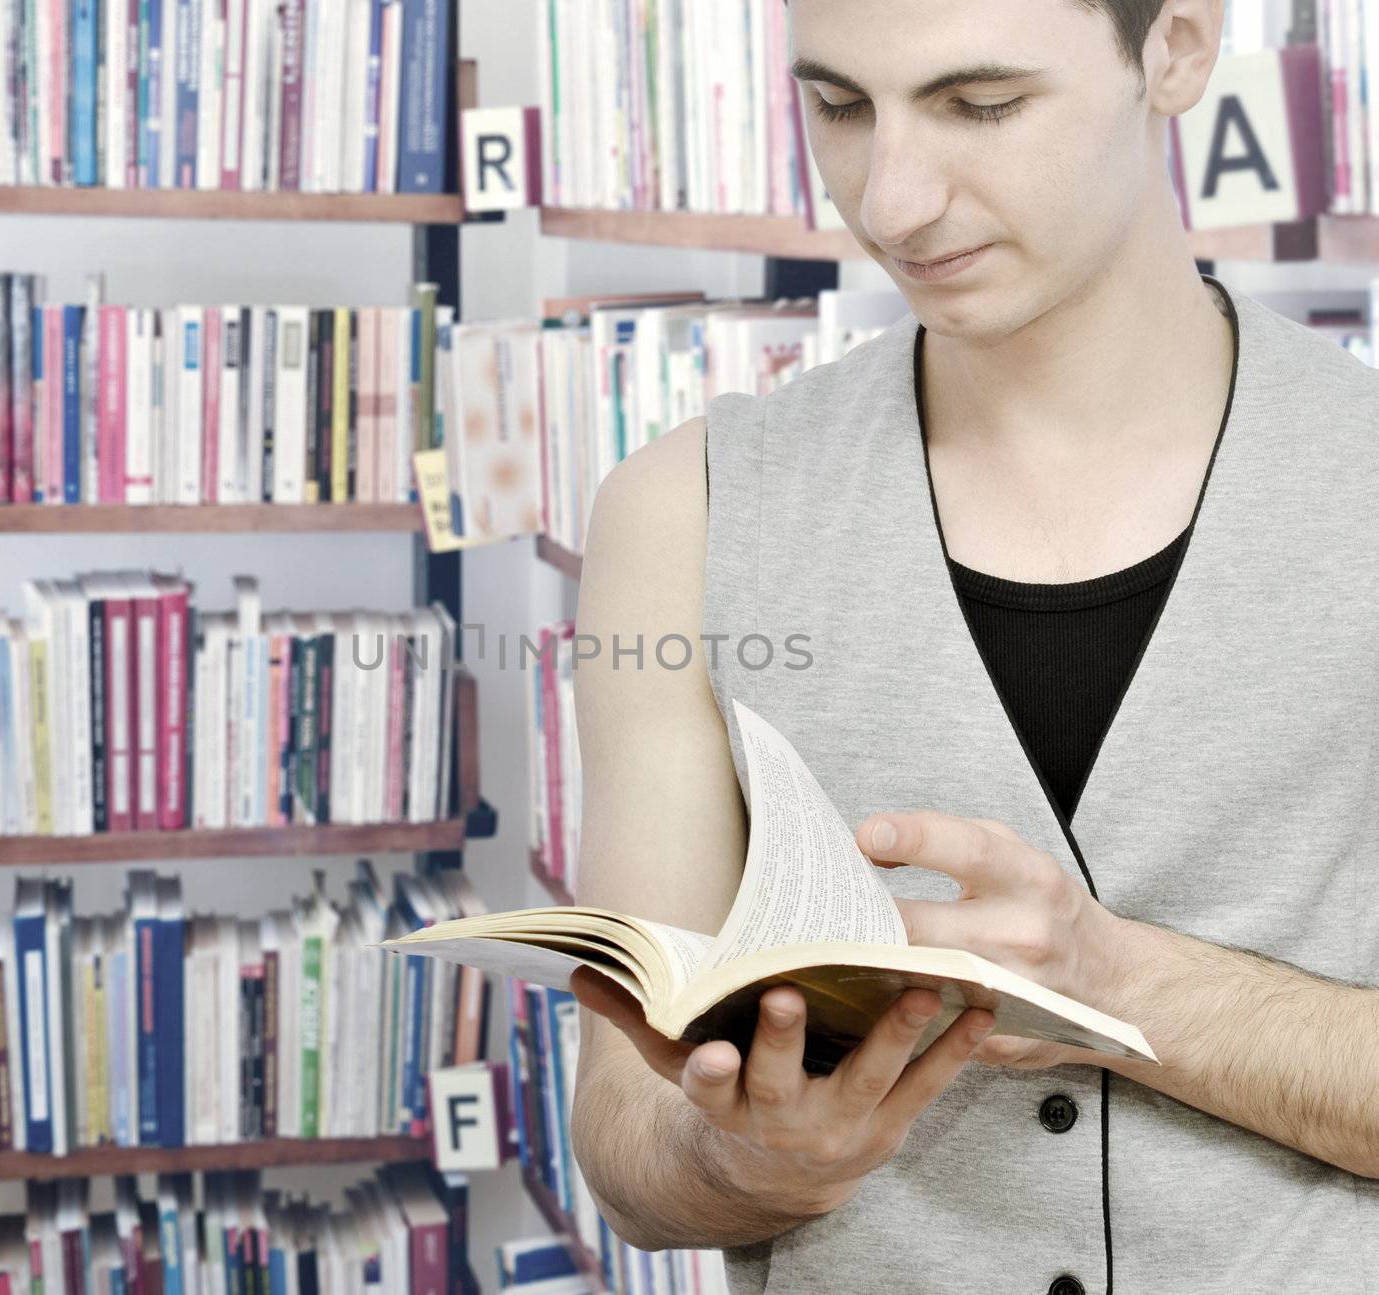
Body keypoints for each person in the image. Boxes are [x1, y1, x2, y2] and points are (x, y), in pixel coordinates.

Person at [564, 0, 1379, 1290]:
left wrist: (1121, 982)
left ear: (1174, 48)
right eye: (837, 106)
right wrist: (748, 1165)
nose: (891, 202)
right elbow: (625, 1147)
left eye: (981, 106)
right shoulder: (682, 511)